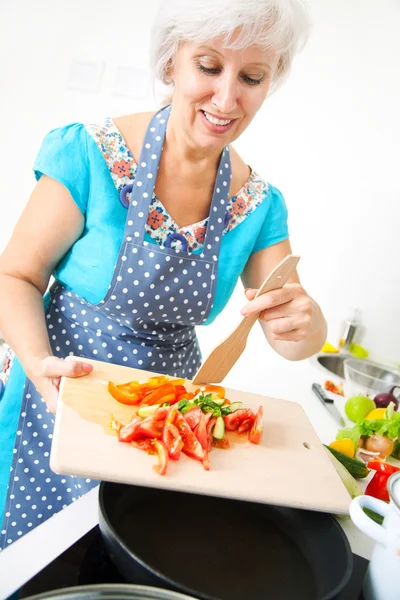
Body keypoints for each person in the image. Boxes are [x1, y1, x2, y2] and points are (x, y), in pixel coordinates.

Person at [0, 0, 326, 550]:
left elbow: (286, 329)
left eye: (251, 77)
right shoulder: (89, 154)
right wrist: (37, 366)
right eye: (208, 66)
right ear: (171, 61)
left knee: (123, 552)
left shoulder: (260, 206)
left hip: (168, 416)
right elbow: (16, 276)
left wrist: (307, 324)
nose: (227, 99)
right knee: (31, 556)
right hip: (55, 393)